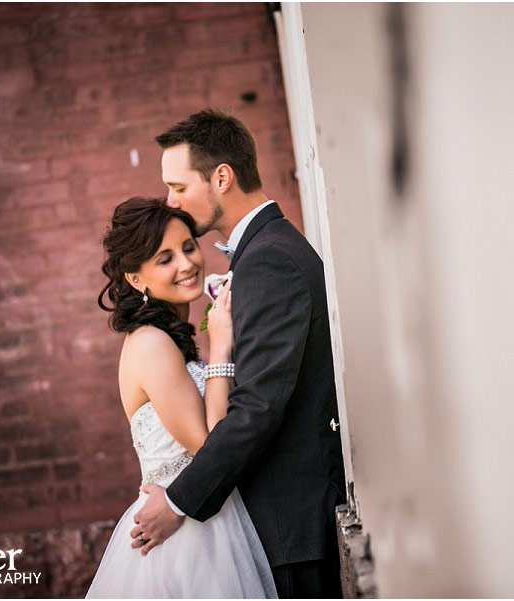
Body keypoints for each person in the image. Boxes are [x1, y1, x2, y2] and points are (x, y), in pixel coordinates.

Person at [130, 109, 347, 598]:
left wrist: (180, 502)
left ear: (222, 177)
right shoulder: (264, 250)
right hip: (279, 523)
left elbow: (257, 408)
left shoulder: (268, 259)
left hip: (292, 524)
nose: (172, 200)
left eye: (179, 187)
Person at [86, 197, 277, 598]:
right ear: (136, 278)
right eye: (164, 258)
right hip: (185, 536)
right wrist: (221, 345)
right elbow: (208, 444)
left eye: (188, 247)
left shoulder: (171, 337)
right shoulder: (151, 344)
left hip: (209, 517)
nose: (187, 264)